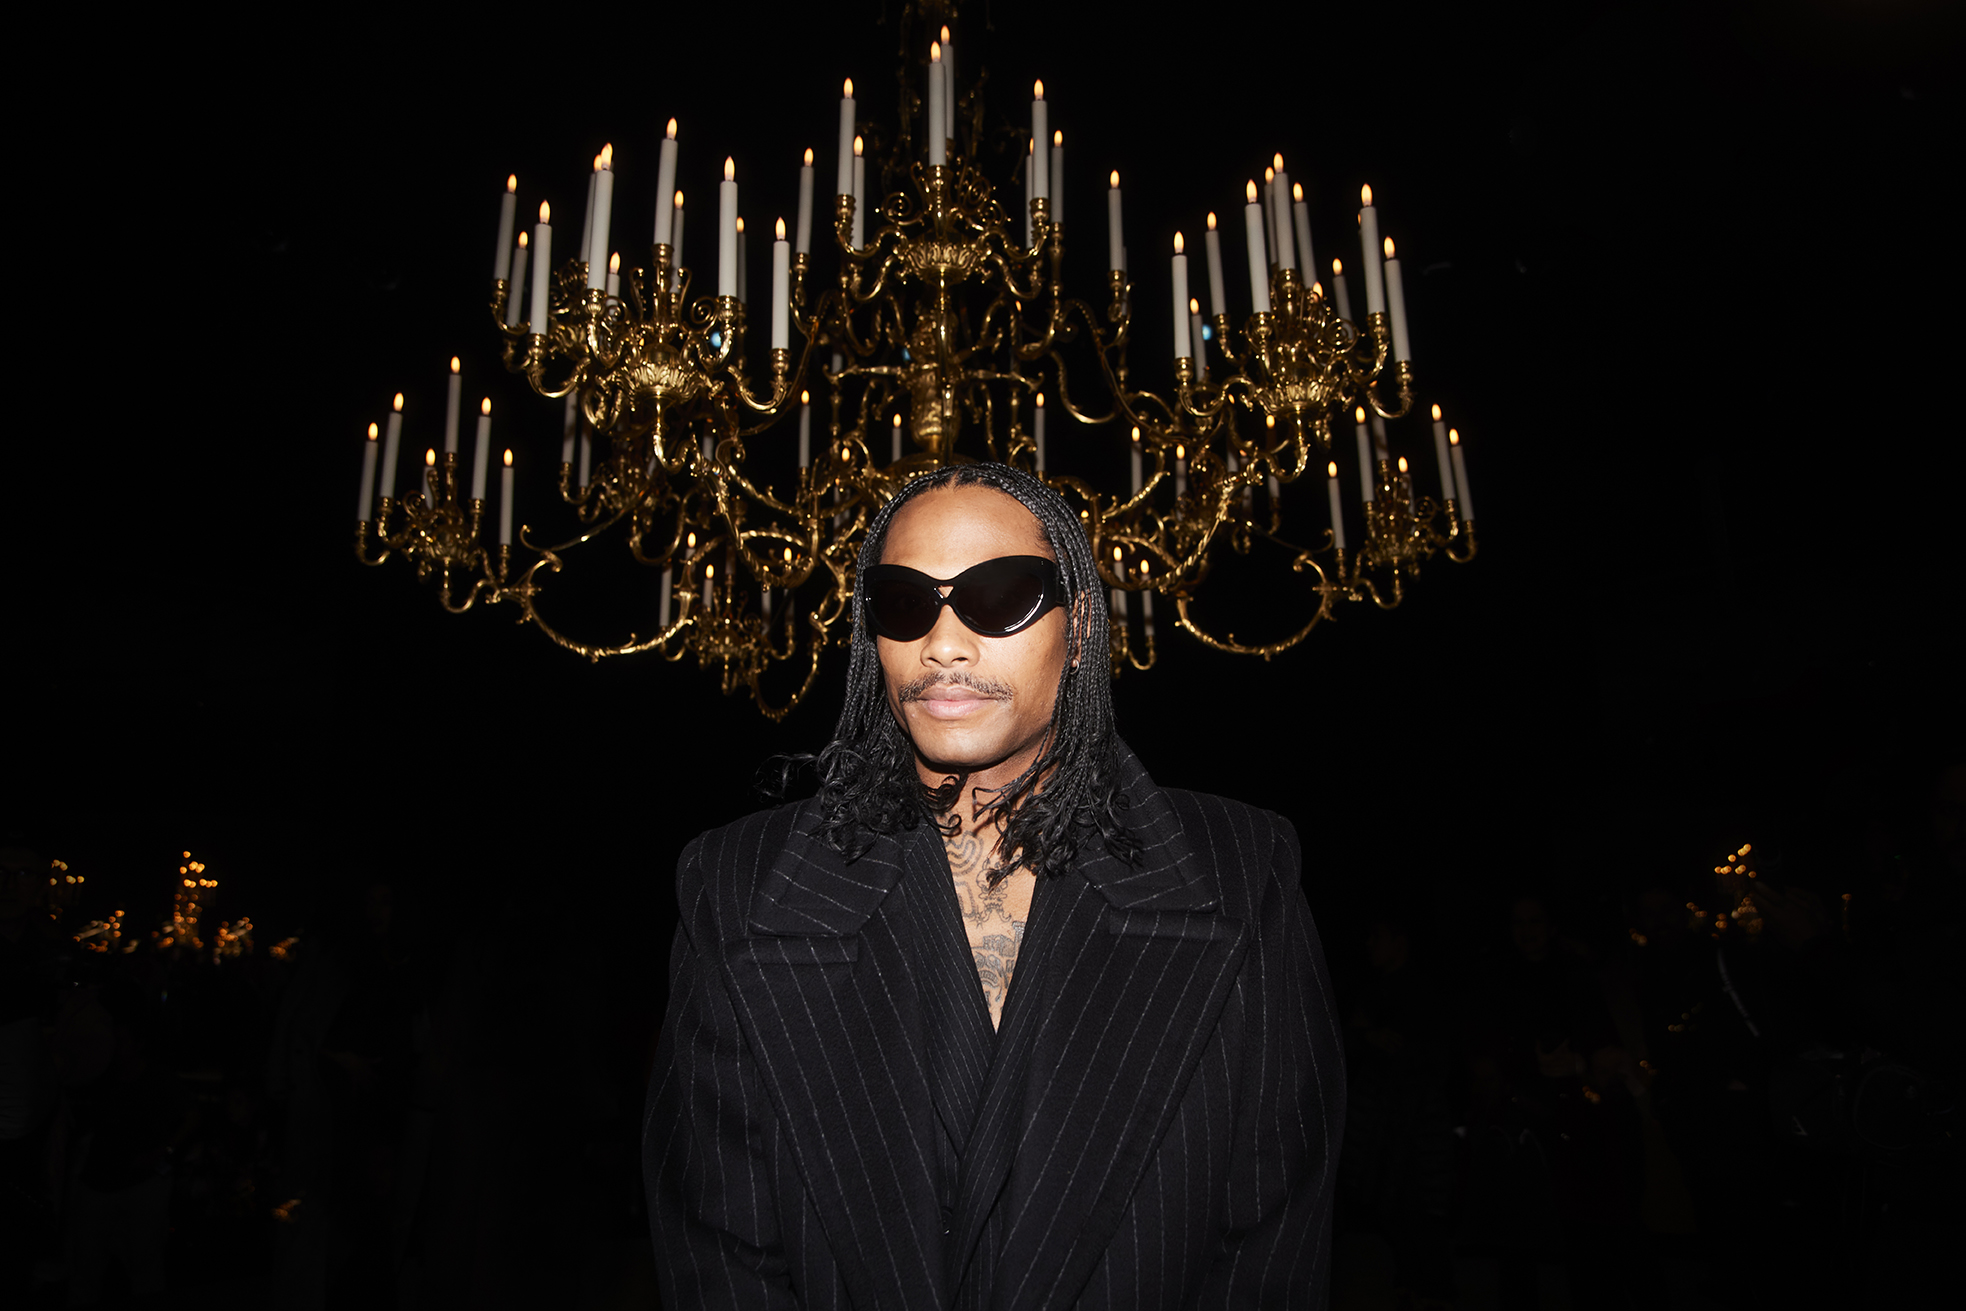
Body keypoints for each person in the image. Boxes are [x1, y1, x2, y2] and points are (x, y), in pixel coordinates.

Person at [644, 462, 1344, 1308]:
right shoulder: (737, 887)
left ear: (1078, 629)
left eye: (1000, 594)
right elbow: (719, 1251)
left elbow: (1271, 1243)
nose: (943, 644)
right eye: (905, 601)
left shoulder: (1242, 872)